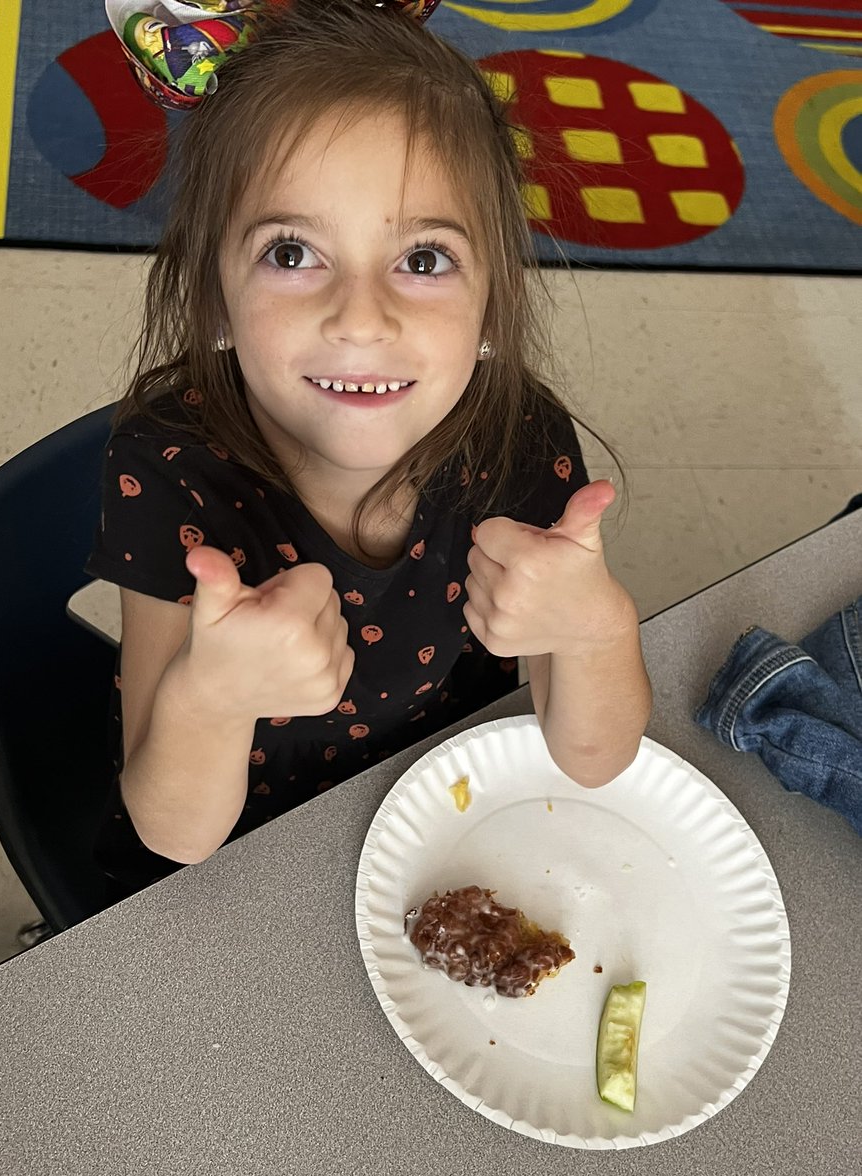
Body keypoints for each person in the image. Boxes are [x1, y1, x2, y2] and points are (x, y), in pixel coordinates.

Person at [89, 0, 652, 898]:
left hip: (446, 827)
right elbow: (173, 833)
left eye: (423, 260)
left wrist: (598, 632)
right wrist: (211, 698)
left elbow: (592, 759)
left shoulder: (517, 437)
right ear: (213, 296)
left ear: (494, 307)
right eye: (291, 252)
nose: (360, 319)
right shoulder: (170, 469)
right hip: (246, 865)